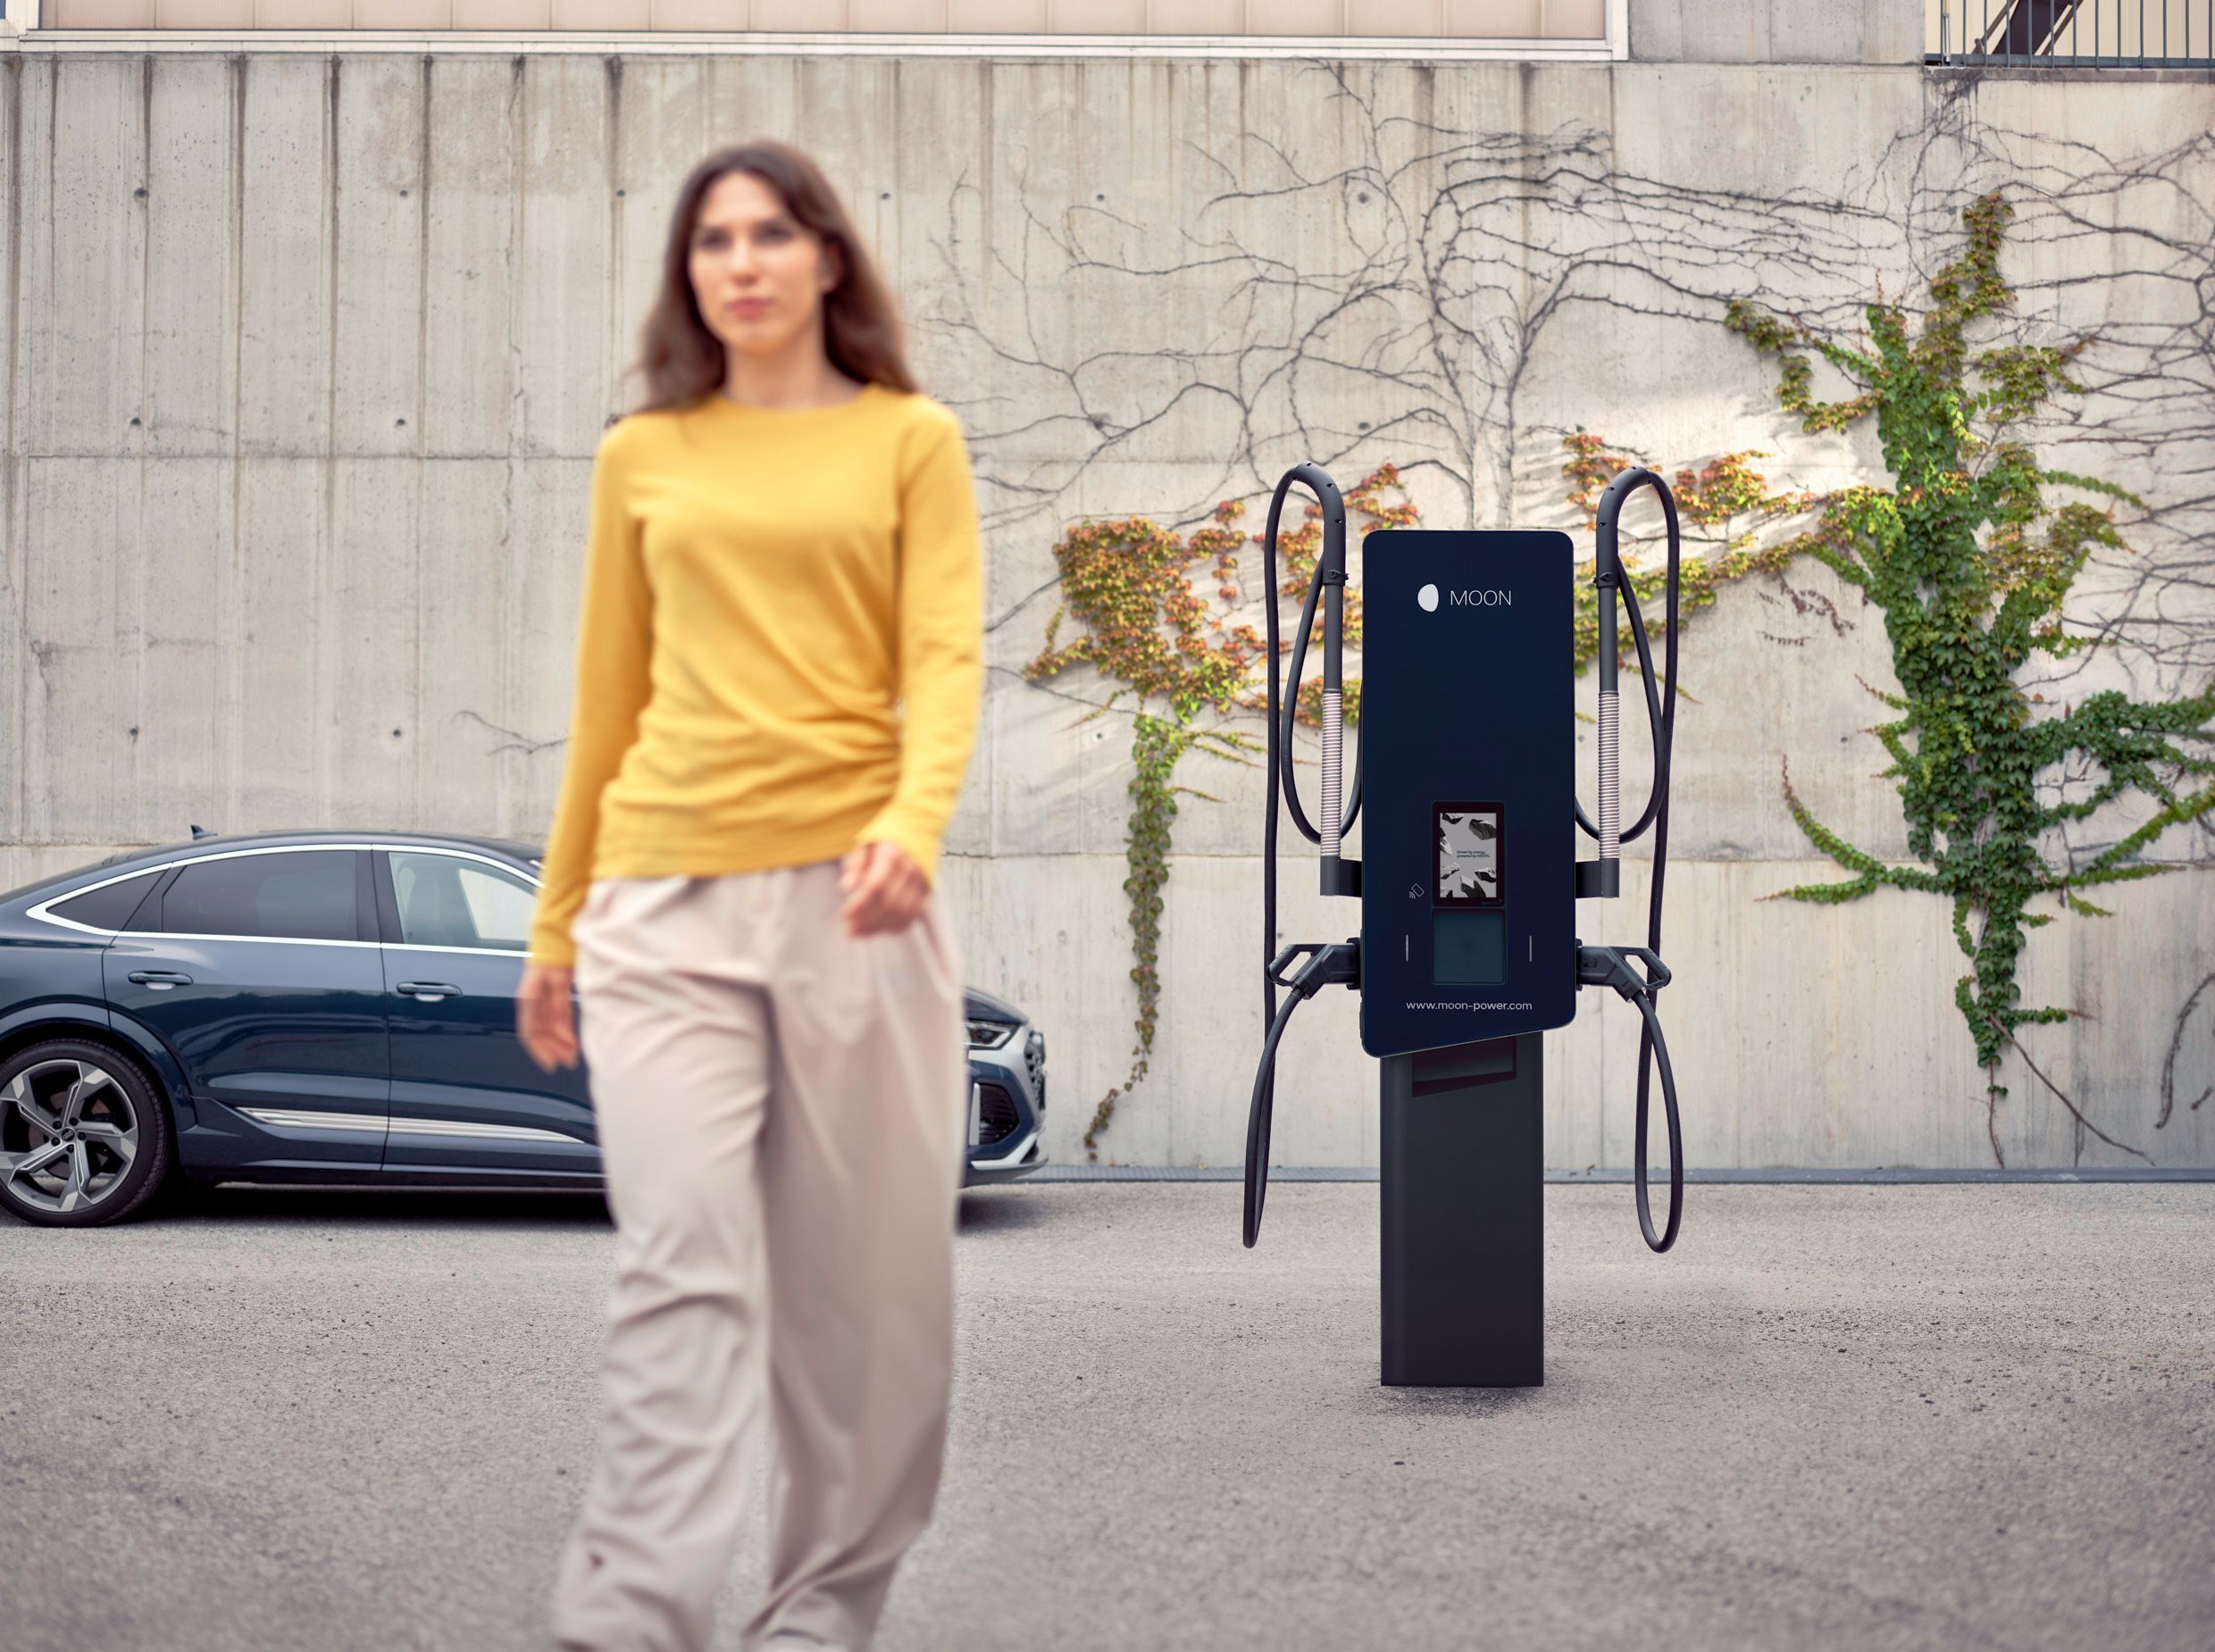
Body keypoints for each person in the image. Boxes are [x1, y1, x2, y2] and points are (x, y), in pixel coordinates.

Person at [516, 139, 984, 1652]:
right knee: (681, 1270)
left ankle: (813, 1620)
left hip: (857, 902)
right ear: (690, 273)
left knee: (873, 1319)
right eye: (714, 238)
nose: (743, 261)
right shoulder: (643, 456)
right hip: (658, 906)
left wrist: (914, 824)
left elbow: (944, 657)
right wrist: (552, 925)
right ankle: (628, 1620)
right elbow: (606, 700)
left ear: (829, 258)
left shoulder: (912, 440)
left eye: (773, 232)